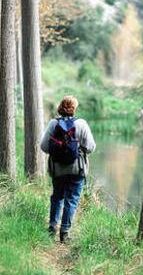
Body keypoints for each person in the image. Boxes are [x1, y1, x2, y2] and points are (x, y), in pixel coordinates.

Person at [40, 96, 96, 243]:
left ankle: (52, 227)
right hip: (77, 170)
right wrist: (79, 148)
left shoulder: (53, 123)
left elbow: (44, 147)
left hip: (57, 170)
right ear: (74, 108)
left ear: (60, 107)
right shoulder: (81, 124)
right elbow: (90, 147)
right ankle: (64, 233)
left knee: (57, 197)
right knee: (72, 200)